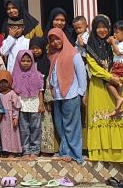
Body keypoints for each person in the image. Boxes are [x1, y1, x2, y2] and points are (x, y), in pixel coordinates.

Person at [85, 15, 123, 163]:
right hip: (99, 88)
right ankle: (101, 154)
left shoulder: (119, 45)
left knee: (119, 120)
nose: (102, 30)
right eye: (98, 27)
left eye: (104, 27)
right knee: (102, 119)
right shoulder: (90, 47)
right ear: (94, 29)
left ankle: (122, 155)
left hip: (118, 86)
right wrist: (109, 77)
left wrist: (122, 79)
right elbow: (93, 68)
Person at [47, 27, 87, 163]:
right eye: (52, 40)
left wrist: (80, 93)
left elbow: (82, 74)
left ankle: (75, 153)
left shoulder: (73, 53)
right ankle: (65, 151)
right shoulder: (53, 55)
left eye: (57, 39)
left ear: (63, 38)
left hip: (71, 94)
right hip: (57, 96)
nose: (55, 42)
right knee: (60, 125)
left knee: (71, 126)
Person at [12, 50, 43, 159]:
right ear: (19, 61)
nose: (26, 63)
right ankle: (25, 150)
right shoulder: (15, 75)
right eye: (23, 61)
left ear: (32, 61)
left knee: (35, 128)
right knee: (24, 129)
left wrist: (41, 104)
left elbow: (40, 91)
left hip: (34, 104)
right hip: (22, 106)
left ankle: (35, 149)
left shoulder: (38, 75)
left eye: (28, 61)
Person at [30, 35, 58, 156]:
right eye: (32, 48)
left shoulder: (46, 62)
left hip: (44, 98)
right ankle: (34, 148)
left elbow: (49, 81)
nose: (35, 50)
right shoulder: (27, 62)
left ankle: (46, 149)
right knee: (32, 124)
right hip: (31, 98)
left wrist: (47, 100)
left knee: (45, 122)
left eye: (37, 48)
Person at [0, 70, 22, 158]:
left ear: (9, 81)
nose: (3, 84)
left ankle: (13, 151)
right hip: (2, 119)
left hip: (10, 118)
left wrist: (15, 118)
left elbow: (16, 107)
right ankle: (5, 151)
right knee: (3, 135)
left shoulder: (12, 93)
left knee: (12, 134)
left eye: (5, 82)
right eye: (1, 82)